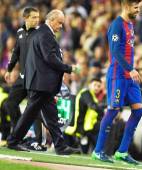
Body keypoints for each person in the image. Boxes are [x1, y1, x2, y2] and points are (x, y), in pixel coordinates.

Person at [6, 9, 79, 155]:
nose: (61, 26)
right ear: (51, 20)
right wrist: (69, 68)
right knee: (30, 113)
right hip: (40, 83)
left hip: (42, 83)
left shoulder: (43, 33)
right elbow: (49, 58)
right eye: (59, 23)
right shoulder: (45, 34)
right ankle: (13, 141)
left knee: (51, 115)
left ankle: (60, 146)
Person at [92, 0, 142, 165]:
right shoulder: (117, 25)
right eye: (135, 7)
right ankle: (98, 151)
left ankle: (122, 151)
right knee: (113, 111)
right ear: (126, 6)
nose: (138, 10)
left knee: (138, 112)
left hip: (130, 77)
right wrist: (130, 69)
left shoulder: (130, 25)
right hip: (118, 75)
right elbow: (114, 51)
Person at [3, 6, 47, 151]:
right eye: (33, 17)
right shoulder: (20, 32)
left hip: (35, 78)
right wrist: (9, 69)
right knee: (10, 104)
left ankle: (37, 141)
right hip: (22, 77)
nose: (37, 20)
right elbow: (16, 52)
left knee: (33, 109)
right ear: (25, 18)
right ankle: (18, 136)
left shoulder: (41, 33)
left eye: (38, 17)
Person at [65, 77, 104, 153]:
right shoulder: (86, 93)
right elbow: (92, 106)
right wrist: (104, 110)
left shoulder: (93, 96)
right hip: (77, 126)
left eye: (99, 86)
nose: (96, 87)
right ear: (90, 85)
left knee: (83, 149)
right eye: (95, 85)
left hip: (82, 127)